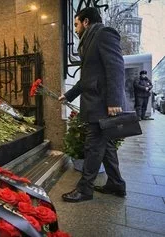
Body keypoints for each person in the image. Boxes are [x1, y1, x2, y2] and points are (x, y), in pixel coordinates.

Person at [58, 7, 126, 202]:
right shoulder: (88, 40)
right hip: (96, 103)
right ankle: (116, 184)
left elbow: (116, 67)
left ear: (86, 21)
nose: (76, 29)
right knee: (107, 146)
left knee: (93, 146)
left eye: (77, 24)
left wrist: (114, 101)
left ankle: (84, 190)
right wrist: (69, 95)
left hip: (102, 104)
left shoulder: (104, 34)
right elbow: (87, 78)